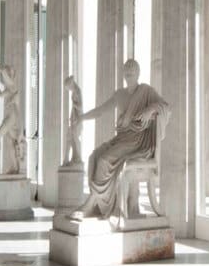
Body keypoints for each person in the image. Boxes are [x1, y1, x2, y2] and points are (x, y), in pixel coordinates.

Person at [70, 59, 170, 220]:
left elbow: (165, 106)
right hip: (122, 139)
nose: (129, 76)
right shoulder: (120, 94)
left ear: (138, 74)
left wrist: (150, 109)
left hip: (137, 142)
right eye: (126, 73)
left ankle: (91, 203)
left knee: (104, 160)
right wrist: (82, 117)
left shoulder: (146, 91)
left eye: (132, 73)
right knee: (94, 156)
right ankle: (99, 203)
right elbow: (101, 111)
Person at [0, 61, 23, 175]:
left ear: (11, 75)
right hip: (9, 116)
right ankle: (14, 167)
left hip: (12, 117)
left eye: (9, 74)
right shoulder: (9, 89)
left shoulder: (13, 86)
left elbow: (3, 71)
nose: (6, 76)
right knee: (10, 142)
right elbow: (0, 95)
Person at [63, 75, 83, 166]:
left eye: (68, 88)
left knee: (74, 138)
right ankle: (71, 159)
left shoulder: (77, 92)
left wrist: (74, 104)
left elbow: (80, 107)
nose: (69, 90)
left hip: (77, 120)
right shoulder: (75, 92)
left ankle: (77, 158)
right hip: (74, 119)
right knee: (70, 138)